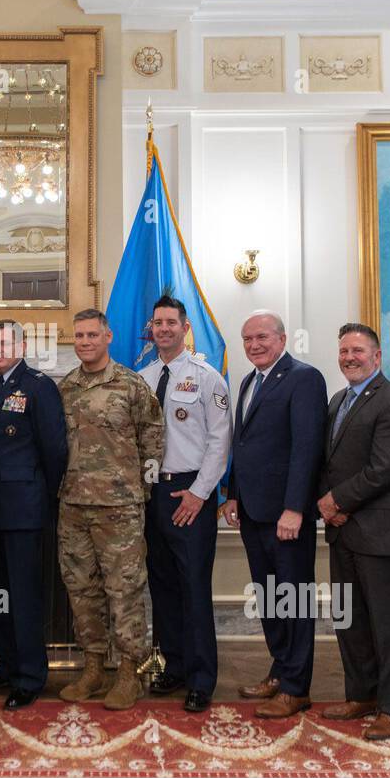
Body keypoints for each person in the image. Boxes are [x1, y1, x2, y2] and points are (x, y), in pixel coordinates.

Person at [221, 310, 327, 718]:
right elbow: (243, 446)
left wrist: (294, 508)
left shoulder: (303, 377)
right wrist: (232, 495)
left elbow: (306, 449)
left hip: (286, 515)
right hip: (251, 511)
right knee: (269, 598)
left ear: (283, 339)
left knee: (294, 598)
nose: (254, 345)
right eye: (247, 339)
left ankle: (297, 687)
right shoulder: (250, 380)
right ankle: (281, 670)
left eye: (262, 337)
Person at [56, 309, 164, 711]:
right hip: (73, 506)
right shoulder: (65, 387)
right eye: (79, 336)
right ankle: (94, 666)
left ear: (108, 336)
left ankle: (129, 672)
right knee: (82, 590)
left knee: (124, 591)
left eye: (91, 335)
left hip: (119, 507)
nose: (84, 342)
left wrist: (142, 492)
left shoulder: (131, 385)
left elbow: (152, 439)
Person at [316, 324, 390, 740]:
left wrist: (336, 501)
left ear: (377, 356)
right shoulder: (338, 399)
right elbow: (327, 462)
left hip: (378, 530)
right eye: (343, 351)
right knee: (350, 619)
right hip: (342, 531)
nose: (349, 357)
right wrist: (329, 502)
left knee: (387, 623)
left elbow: (385, 469)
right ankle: (361, 695)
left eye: (358, 350)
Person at [137, 296, 232, 713]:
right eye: (157, 323)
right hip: (151, 494)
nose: (163, 329)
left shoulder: (207, 377)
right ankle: (173, 666)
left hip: (190, 490)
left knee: (193, 588)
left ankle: (200, 678)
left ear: (185, 326)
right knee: (163, 586)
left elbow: (219, 440)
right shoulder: (141, 378)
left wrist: (200, 494)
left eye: (171, 322)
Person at [0, 320, 68, 709]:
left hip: (23, 509)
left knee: (23, 596)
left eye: (5, 342)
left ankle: (29, 675)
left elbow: (54, 450)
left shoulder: (38, 386)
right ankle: (5, 662)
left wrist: (42, 499)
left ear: (23, 345)